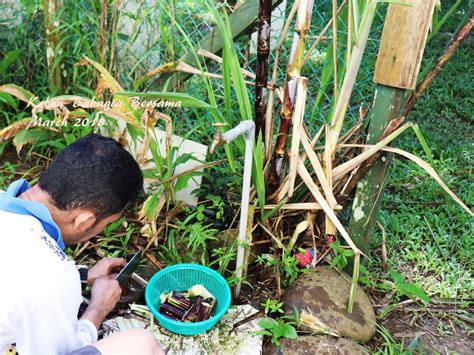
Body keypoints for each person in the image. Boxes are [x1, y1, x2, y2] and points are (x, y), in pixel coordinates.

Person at [0, 134, 164, 354]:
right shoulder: (52, 278)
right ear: (84, 220)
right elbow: (63, 350)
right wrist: (98, 308)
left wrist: (82, 275)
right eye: (107, 223)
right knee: (142, 344)